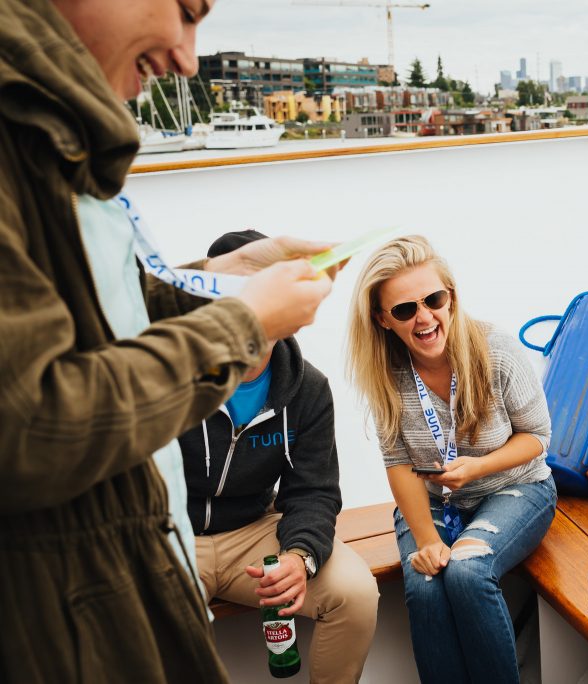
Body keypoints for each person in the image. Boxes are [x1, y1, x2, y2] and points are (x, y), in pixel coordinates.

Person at [0, 1, 340, 681]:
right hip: (66, 622)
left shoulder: (49, 137)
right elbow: (28, 424)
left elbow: (108, 303)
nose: (188, 56)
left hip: (130, 572)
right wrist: (243, 327)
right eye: (186, 11)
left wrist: (221, 276)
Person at [348, 235, 557, 684]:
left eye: (434, 300)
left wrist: (478, 467)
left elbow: (539, 437)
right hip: (434, 501)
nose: (424, 317)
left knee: (466, 571)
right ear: (383, 319)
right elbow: (398, 463)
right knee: (425, 584)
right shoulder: (385, 374)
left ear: (451, 298)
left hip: (516, 487)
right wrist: (425, 540)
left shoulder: (496, 349)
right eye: (405, 310)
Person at [179, 231, 379, 684]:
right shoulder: (168, 370)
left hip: (252, 534)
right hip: (169, 537)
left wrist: (299, 556)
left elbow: (314, 491)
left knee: (354, 593)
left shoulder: (307, 388)